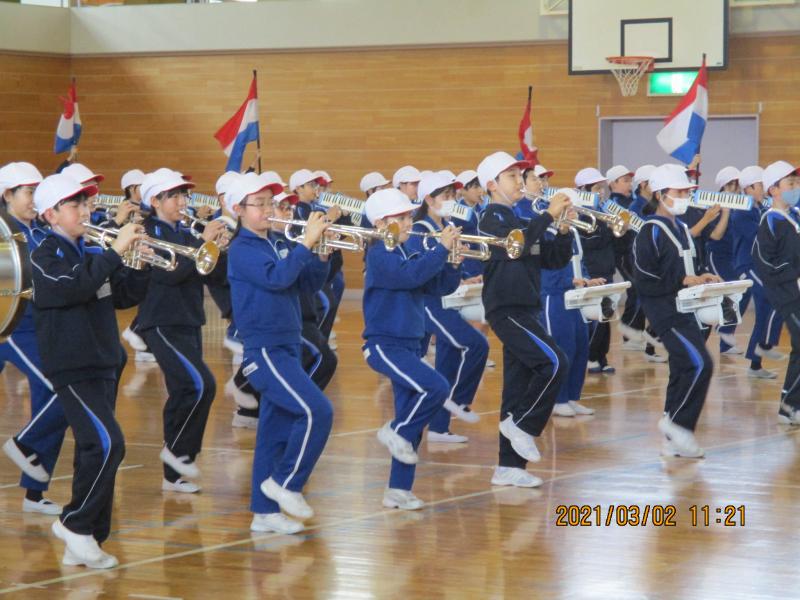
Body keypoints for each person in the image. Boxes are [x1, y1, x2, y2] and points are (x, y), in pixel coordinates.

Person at [31, 173, 150, 568]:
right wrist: (115, 253)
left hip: (103, 361)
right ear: (51, 214)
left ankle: (87, 538)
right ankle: (75, 524)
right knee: (108, 444)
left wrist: (140, 264)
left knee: (91, 450)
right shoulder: (44, 255)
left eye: (86, 203)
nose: (86, 210)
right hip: (72, 365)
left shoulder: (91, 250)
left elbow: (123, 297)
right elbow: (73, 287)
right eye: (75, 205)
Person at [227, 172, 334, 533]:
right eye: (259, 204)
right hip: (265, 349)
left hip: (287, 344)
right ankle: (286, 482)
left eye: (270, 203)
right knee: (317, 411)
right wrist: (306, 243)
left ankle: (264, 513)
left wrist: (320, 255)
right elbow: (277, 279)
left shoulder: (276, 240)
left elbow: (305, 284)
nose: (269, 209)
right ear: (238, 209)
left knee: (273, 431)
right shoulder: (241, 248)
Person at [477, 151, 572, 487]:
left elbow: (554, 260)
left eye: (520, 176)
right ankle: (523, 425)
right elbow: (514, 247)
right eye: (512, 177)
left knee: (517, 387)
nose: (520, 182)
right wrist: (547, 216)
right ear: (492, 185)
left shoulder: (521, 221)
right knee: (555, 362)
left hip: (526, 307)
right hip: (506, 308)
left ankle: (508, 467)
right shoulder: (489, 218)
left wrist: (563, 230)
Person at [361, 187, 459, 509]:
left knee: (412, 417)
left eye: (408, 217)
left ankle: (398, 490)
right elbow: (410, 277)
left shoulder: (406, 251)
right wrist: (440, 250)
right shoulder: (379, 254)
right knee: (436, 388)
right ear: (380, 223)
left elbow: (438, 287)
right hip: (385, 345)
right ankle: (395, 430)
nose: (408, 223)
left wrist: (452, 261)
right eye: (401, 218)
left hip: (410, 345)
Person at [136, 169, 228, 493]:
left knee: (182, 393)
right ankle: (178, 452)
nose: (182, 202)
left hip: (189, 320)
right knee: (202, 384)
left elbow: (211, 276)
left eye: (183, 195)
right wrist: (204, 242)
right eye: (173, 196)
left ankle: (173, 474)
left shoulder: (187, 231)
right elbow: (170, 273)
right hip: (161, 322)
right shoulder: (148, 231)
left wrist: (219, 249)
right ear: (155, 201)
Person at [632, 164, 718, 457]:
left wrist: (703, 276)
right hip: (665, 312)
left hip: (686, 309)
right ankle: (678, 426)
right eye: (678, 192)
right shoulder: (649, 231)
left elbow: (688, 265)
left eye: (686, 192)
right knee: (701, 364)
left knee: (683, 369)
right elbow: (644, 278)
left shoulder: (681, 228)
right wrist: (682, 280)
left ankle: (673, 440)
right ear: (660, 194)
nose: (684, 197)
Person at [0, 162, 68, 516]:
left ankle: (35, 493)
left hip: (40, 328)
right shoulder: (2, 235)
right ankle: (23, 444)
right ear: (7, 195)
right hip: (12, 329)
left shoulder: (41, 231)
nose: (35, 199)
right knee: (61, 389)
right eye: (29, 192)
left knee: (50, 397)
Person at [406, 172, 489, 443]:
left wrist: (460, 271)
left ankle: (439, 428)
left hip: (447, 299)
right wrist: (445, 252)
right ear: (429, 200)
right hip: (428, 303)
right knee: (476, 344)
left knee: (448, 362)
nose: (452, 199)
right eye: (446, 195)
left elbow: (447, 273)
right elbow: (420, 270)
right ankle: (459, 401)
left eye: (453, 195)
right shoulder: (419, 229)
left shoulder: (449, 225)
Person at [752, 161, 800, 424]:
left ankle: (789, 405)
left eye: (797, 182)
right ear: (774, 190)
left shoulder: (795, 215)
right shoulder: (770, 221)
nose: (796, 187)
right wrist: (793, 271)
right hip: (786, 294)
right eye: (790, 183)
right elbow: (764, 262)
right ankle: (790, 405)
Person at [731, 165, 784, 379]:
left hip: (759, 266)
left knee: (764, 311)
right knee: (774, 298)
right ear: (748, 188)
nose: (764, 188)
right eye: (760, 185)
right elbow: (761, 238)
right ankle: (765, 345)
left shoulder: (759, 208)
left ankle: (755, 364)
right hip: (747, 266)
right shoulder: (742, 212)